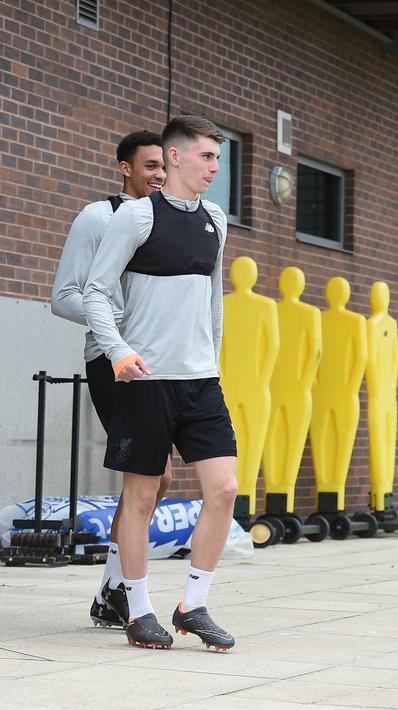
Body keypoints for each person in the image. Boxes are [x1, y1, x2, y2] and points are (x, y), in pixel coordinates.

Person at [83, 115, 238, 651]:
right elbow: (95, 292)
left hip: (200, 380)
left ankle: (193, 604)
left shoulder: (215, 219)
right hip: (146, 380)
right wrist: (119, 351)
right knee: (142, 496)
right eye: (206, 157)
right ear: (174, 158)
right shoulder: (136, 218)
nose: (215, 168)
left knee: (225, 489)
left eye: (218, 159)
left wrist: (212, 361)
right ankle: (138, 608)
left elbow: (214, 300)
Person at [51, 130, 174, 630]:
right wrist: (118, 322)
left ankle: (113, 588)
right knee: (154, 474)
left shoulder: (168, 222)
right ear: (125, 168)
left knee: (158, 476)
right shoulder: (98, 217)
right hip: (111, 359)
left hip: (161, 361)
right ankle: (118, 590)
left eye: (163, 166)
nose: (159, 175)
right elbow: (64, 297)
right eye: (149, 167)